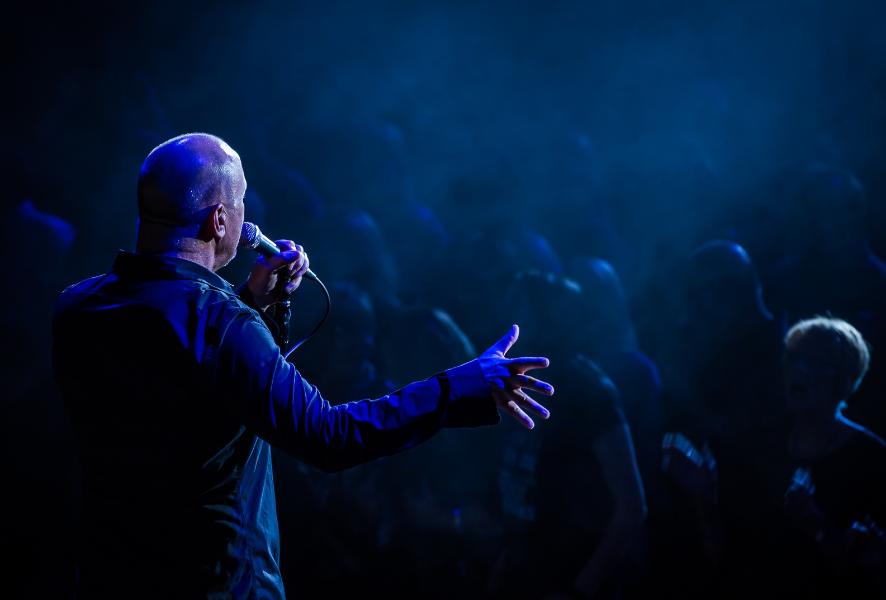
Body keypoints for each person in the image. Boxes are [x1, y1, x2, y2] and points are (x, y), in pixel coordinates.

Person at [51, 133, 555, 598]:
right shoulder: (221, 323)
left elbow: (188, 399)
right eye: (241, 201)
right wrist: (458, 386)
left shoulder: (77, 308)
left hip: (111, 577)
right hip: (216, 582)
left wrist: (254, 302)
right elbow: (328, 436)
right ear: (218, 220)